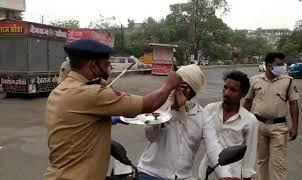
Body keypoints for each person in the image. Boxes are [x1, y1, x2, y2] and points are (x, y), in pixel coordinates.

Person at [44, 39, 181, 180]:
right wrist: (169, 84)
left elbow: (76, 130)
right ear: (92, 65)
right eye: (106, 64)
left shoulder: (59, 91)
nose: (109, 68)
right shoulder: (92, 94)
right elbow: (149, 105)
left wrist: (106, 142)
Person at [137, 64, 238, 180]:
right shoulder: (162, 105)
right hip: (150, 173)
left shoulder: (203, 116)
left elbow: (213, 147)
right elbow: (151, 136)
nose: (176, 89)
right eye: (175, 85)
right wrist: (173, 110)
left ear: (193, 90)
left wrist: (225, 175)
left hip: (183, 177)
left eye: (182, 86)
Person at [243, 52, 300, 180]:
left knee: (278, 163)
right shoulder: (255, 80)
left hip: (279, 127)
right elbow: (247, 102)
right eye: (279, 64)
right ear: (269, 65)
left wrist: (295, 126)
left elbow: (293, 104)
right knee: (261, 161)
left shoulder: (288, 81)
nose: (282, 67)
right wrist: (241, 123)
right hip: (259, 126)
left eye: (282, 64)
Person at [198, 71, 258, 180]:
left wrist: (246, 177)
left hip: (231, 175)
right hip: (207, 172)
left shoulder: (250, 120)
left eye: (233, 90)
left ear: (243, 93)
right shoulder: (209, 110)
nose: (226, 93)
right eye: (225, 88)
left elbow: (249, 155)